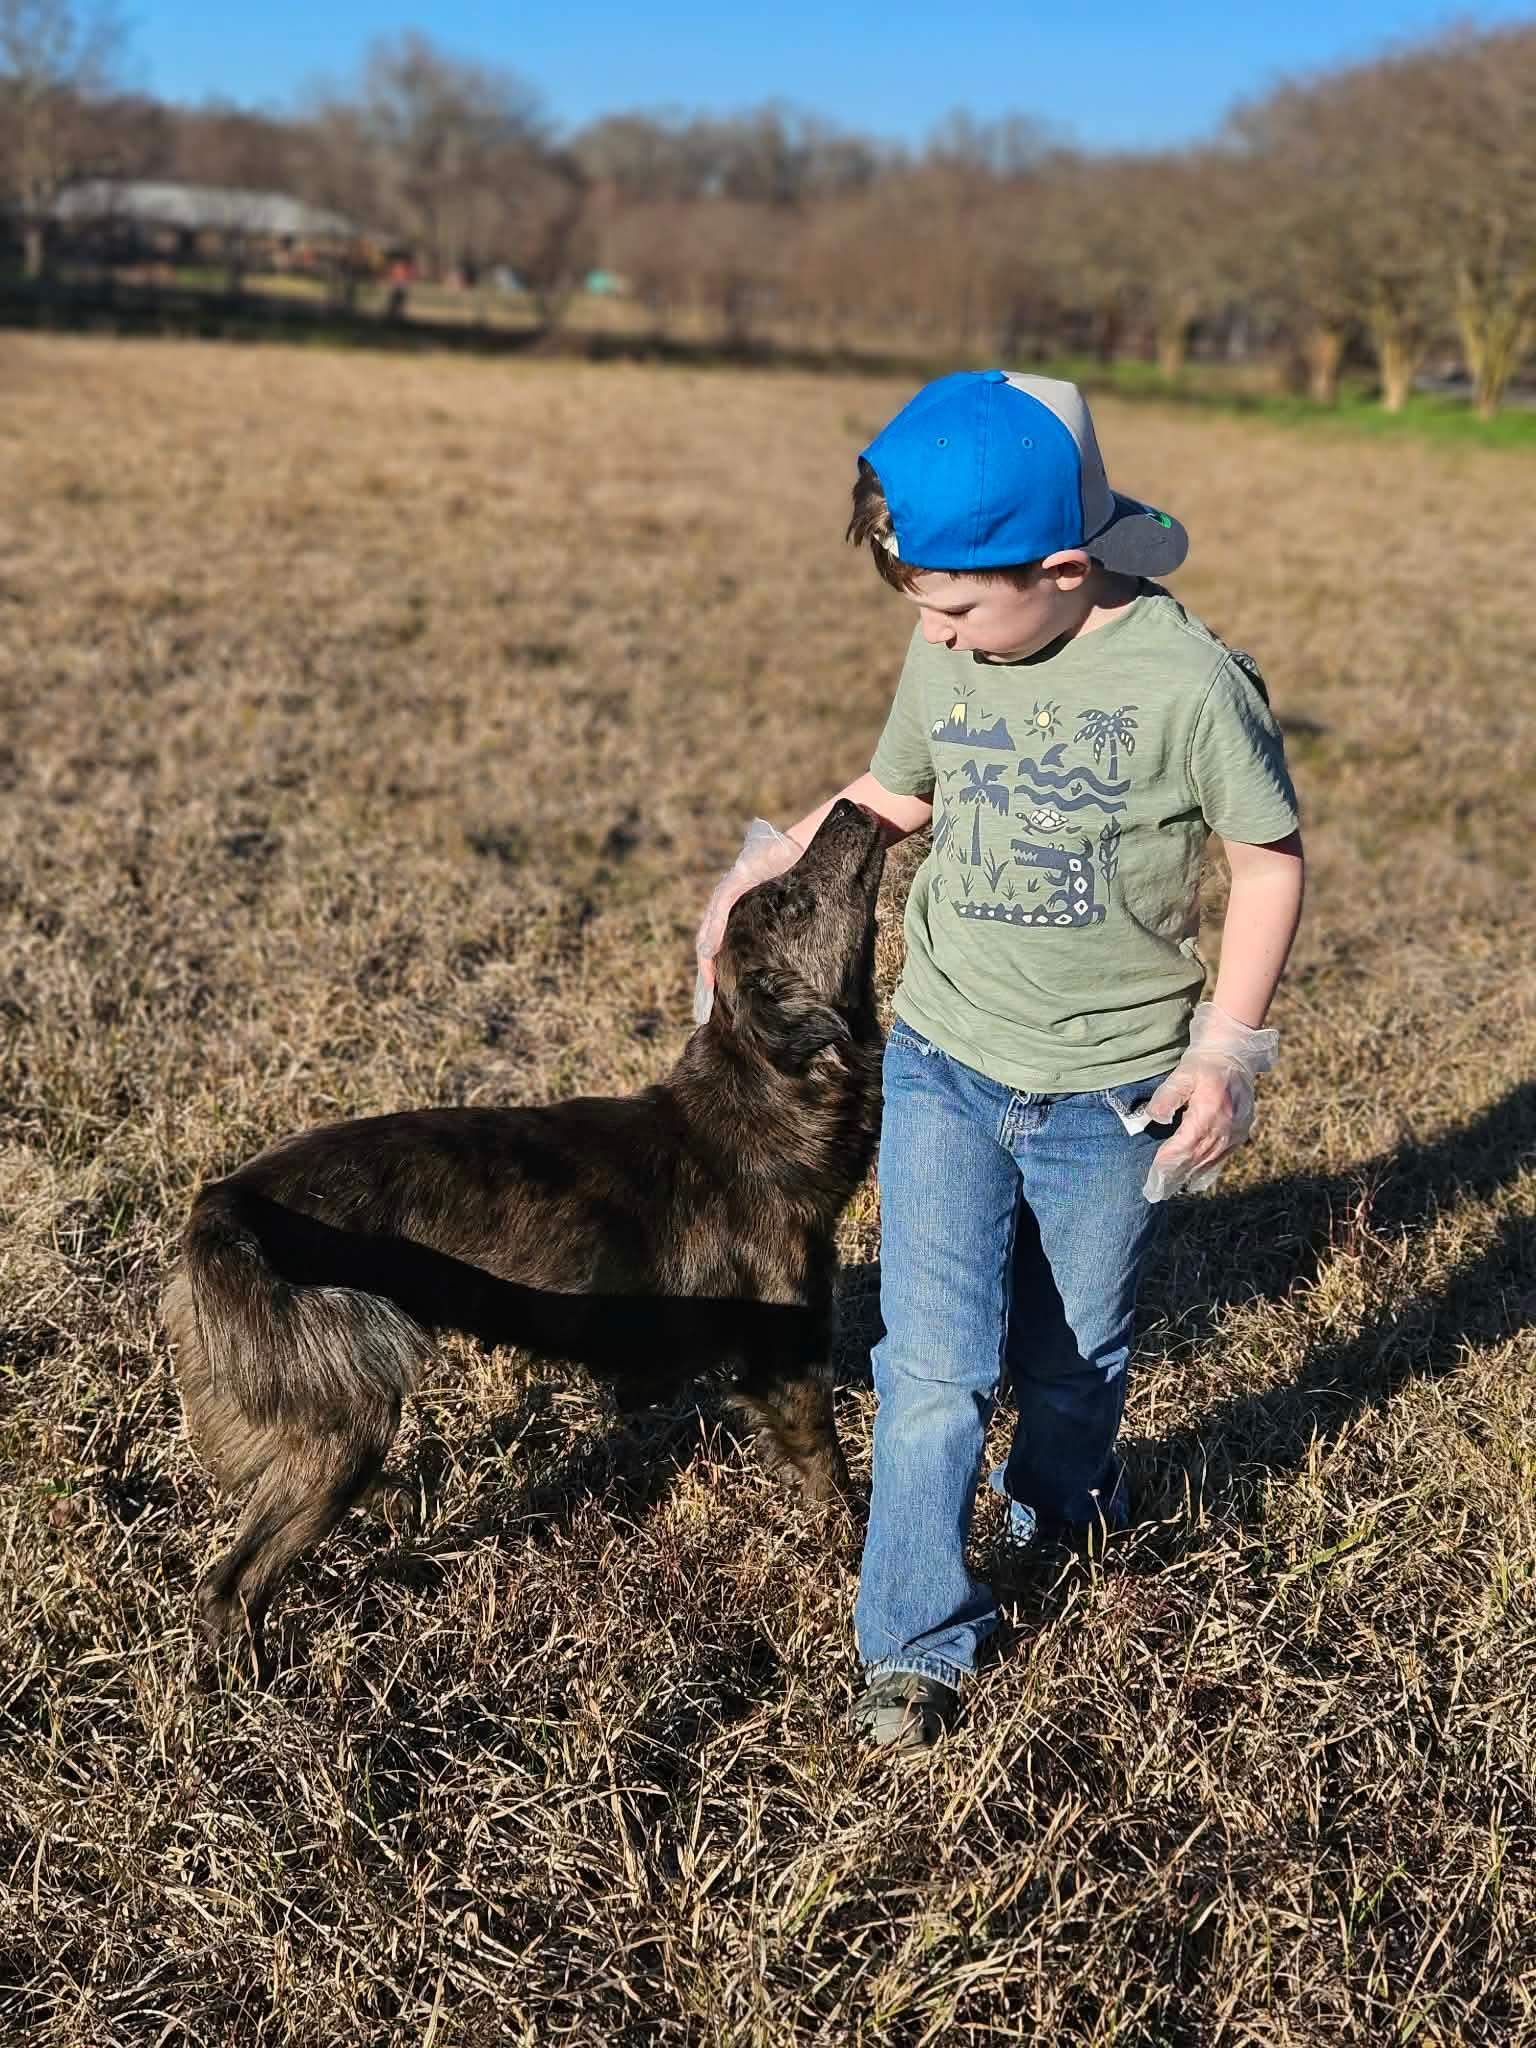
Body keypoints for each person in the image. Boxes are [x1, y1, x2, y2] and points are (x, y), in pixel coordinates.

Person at [694, 372, 1304, 1753]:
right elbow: (894, 791)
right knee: (931, 1367)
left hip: (1114, 1092)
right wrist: (765, 863)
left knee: (1077, 1356)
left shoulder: (1190, 682)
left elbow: (1267, 860)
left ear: (1063, 568)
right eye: (922, 609)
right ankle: (911, 1641)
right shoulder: (952, 645)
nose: (938, 636)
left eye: (958, 609)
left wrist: (1227, 1053)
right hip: (949, 1062)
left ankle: (1061, 1512)